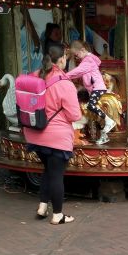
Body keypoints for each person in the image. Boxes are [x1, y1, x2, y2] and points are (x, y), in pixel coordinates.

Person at [22, 44, 82, 225]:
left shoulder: (33, 76)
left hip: (33, 133)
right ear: (62, 59)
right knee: (56, 175)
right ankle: (57, 215)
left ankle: (42, 206)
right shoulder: (64, 83)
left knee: (48, 170)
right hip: (56, 137)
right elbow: (75, 115)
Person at [65, 41, 115, 144]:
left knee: (91, 105)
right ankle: (103, 134)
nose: (76, 57)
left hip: (97, 88)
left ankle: (109, 120)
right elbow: (78, 73)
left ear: (82, 50)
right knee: (90, 108)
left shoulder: (88, 61)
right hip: (94, 88)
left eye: (77, 55)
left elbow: (78, 71)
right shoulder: (87, 60)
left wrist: (65, 76)